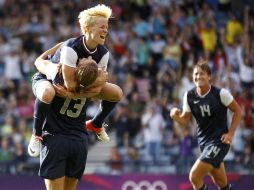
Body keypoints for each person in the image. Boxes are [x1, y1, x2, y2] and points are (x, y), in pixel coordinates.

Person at [28, 4, 123, 157]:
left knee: (117, 93)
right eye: (102, 27)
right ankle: (36, 134)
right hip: (51, 78)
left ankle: (96, 123)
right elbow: (70, 85)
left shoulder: (104, 53)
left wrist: (80, 93)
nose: (106, 30)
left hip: (72, 85)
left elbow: (97, 87)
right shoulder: (71, 48)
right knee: (47, 92)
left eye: (107, 27)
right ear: (88, 28)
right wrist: (85, 90)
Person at [170, 61, 242, 190]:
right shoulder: (189, 96)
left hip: (219, 142)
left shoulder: (220, 93)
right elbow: (185, 120)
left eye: (202, 74)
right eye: (196, 74)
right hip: (204, 144)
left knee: (194, 176)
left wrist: (230, 133)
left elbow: (238, 111)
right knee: (222, 184)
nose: (198, 77)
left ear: (209, 76)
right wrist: (175, 117)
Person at [32, 58, 99, 190]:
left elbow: (39, 63)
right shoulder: (92, 85)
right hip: (79, 142)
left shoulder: (58, 80)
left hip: (56, 139)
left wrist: (59, 46)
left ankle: (35, 134)